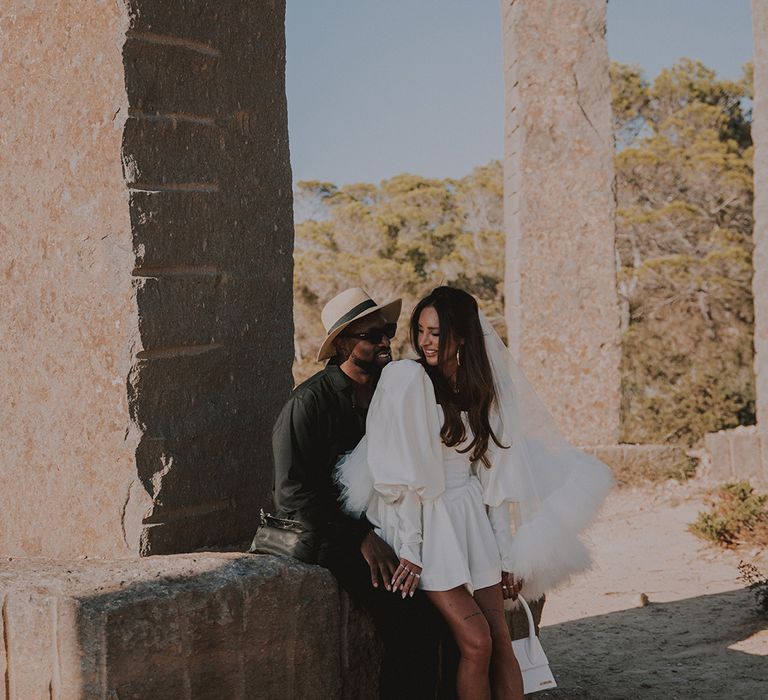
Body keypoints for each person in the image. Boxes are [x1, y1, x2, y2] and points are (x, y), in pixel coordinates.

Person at [336, 286, 615, 700]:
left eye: (436, 332)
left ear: (462, 337)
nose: (425, 341)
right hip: (428, 523)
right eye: (422, 331)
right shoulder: (407, 380)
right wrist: (412, 548)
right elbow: (405, 475)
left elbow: (495, 486)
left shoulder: (482, 391)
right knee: (477, 642)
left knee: (504, 642)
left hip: (470, 518)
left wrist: (507, 557)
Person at [271, 287, 446, 699]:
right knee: (413, 621)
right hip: (335, 537)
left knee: (449, 609)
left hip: (397, 526)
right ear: (343, 344)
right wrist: (361, 539)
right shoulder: (308, 403)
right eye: (372, 335)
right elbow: (292, 495)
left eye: (387, 330)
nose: (386, 341)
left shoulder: (395, 386)